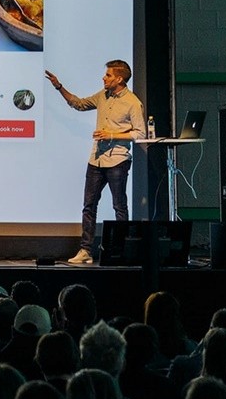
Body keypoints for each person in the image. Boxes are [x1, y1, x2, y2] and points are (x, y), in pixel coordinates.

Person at [44, 60, 148, 266]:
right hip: (96, 160)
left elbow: (140, 133)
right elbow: (79, 104)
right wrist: (59, 86)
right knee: (89, 206)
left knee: (119, 207)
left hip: (118, 160)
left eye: (108, 75)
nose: (104, 78)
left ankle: (121, 251)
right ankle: (85, 251)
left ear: (119, 79)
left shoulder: (133, 103)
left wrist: (111, 135)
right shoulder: (103, 96)